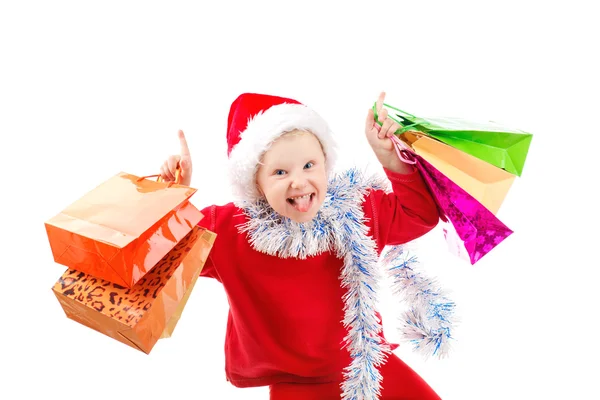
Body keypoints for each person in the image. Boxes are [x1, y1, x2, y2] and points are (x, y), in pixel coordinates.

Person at [159, 92, 442, 400]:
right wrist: (174, 197)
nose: (299, 182)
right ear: (256, 182)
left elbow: (419, 215)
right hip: (295, 385)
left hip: (368, 366)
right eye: (280, 172)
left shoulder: (357, 212)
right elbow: (168, 254)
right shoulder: (229, 230)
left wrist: (390, 159)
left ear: (325, 164)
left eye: (309, 165)